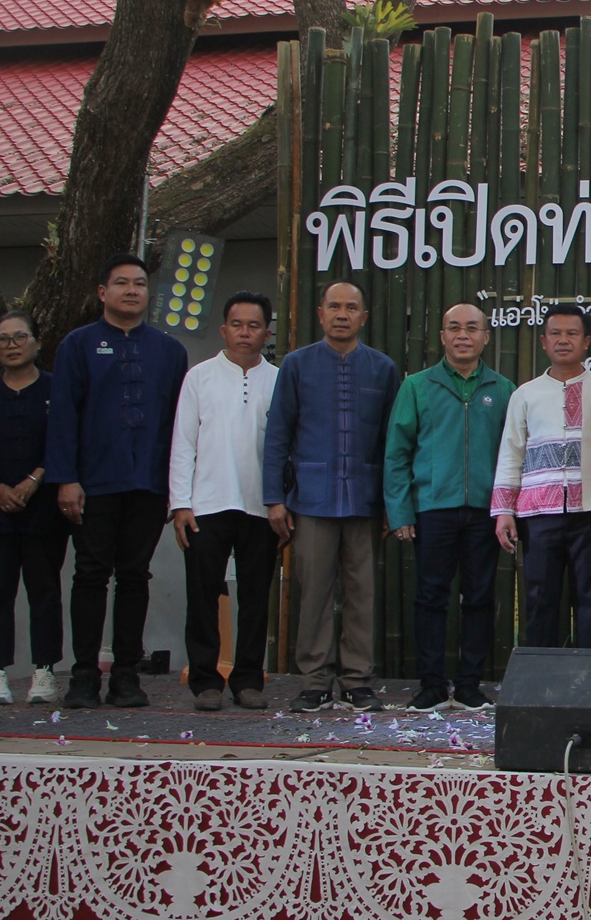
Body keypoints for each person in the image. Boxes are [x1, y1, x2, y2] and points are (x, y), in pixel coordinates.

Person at [46, 255, 189, 710]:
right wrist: (65, 478)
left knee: (134, 576)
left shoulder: (169, 351)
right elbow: (64, 416)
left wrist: (177, 488)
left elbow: (178, 424)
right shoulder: (78, 345)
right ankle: (84, 674)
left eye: (141, 284)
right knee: (90, 574)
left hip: (148, 482)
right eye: (122, 283)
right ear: (102, 292)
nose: (132, 290)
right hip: (93, 482)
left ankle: (126, 674)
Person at [262, 280, 401, 713]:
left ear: (363, 316)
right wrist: (274, 498)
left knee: (362, 593)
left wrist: (390, 504)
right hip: (311, 498)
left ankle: (358, 680)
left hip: (364, 499)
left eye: (351, 307)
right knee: (314, 592)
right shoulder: (297, 365)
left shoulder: (383, 369)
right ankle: (315, 680)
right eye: (334, 306)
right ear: (320, 313)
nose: (342, 314)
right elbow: (278, 434)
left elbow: (391, 442)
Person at [385, 303, 516, 712]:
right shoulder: (417, 386)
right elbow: (397, 453)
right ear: (442, 336)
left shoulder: (503, 388)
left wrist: (508, 509)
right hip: (433, 508)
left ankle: (470, 684)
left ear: (486, 336)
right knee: (430, 597)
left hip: (484, 511)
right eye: (454, 328)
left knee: (479, 597)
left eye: (472, 328)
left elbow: (515, 453)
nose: (463, 335)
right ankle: (431, 684)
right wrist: (401, 511)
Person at [168, 292, 279, 711]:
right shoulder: (200, 377)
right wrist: (181, 503)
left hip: (261, 507)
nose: (245, 332)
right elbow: (183, 444)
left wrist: (281, 503)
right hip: (206, 504)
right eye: (237, 324)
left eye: (254, 325)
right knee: (202, 596)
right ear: (224, 329)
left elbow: (285, 449)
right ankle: (205, 681)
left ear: (267, 332)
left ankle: (248, 680)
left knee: (255, 596)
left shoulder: (279, 379)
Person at [493, 305, 591, 651]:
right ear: (544, 342)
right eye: (555, 334)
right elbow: (511, 452)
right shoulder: (525, 394)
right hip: (538, 512)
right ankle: (540, 680)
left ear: (587, 341)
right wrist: (504, 510)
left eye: (572, 333)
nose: (563, 340)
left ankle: (590, 678)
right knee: (540, 595)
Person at [0, 310, 67, 707]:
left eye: (19, 337)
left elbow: (64, 440)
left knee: (44, 590)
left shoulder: (56, 389)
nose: (11, 345)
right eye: (3, 339)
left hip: (43, 507)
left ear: (37, 342)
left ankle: (44, 671)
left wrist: (33, 480)